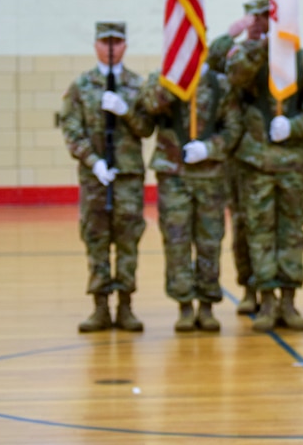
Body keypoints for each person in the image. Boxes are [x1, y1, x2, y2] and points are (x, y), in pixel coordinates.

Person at [224, 1, 303, 332]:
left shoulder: (302, 60)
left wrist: (294, 128)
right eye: (259, 20)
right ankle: (265, 298)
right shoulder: (247, 58)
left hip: (291, 164)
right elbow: (236, 77)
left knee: (291, 233)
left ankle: (288, 300)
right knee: (258, 231)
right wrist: (260, 47)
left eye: (270, 19)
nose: (265, 25)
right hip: (255, 163)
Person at [60, 22, 154, 332]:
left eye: (117, 42)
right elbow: (71, 130)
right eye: (105, 42)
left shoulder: (137, 86)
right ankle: (100, 307)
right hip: (95, 177)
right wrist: (94, 161)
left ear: (125, 46)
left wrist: (126, 110)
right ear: (95, 45)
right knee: (96, 238)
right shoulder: (81, 85)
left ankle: (126, 306)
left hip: (127, 176)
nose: (111, 48)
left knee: (128, 240)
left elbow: (146, 127)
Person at [139, 66, 243, 332]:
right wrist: (174, 80)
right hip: (173, 174)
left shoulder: (220, 84)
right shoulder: (162, 78)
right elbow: (149, 105)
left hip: (210, 175)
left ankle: (207, 305)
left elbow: (233, 128)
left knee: (210, 241)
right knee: (176, 240)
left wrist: (209, 148)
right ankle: (184, 305)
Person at [205, 0, 271, 315]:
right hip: (237, 154)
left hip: (269, 155)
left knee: (269, 228)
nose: (258, 22)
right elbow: (211, 59)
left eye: (264, 16)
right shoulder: (234, 52)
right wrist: (231, 34)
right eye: (253, 17)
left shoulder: (282, 55)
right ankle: (248, 287)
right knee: (243, 225)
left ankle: (273, 290)